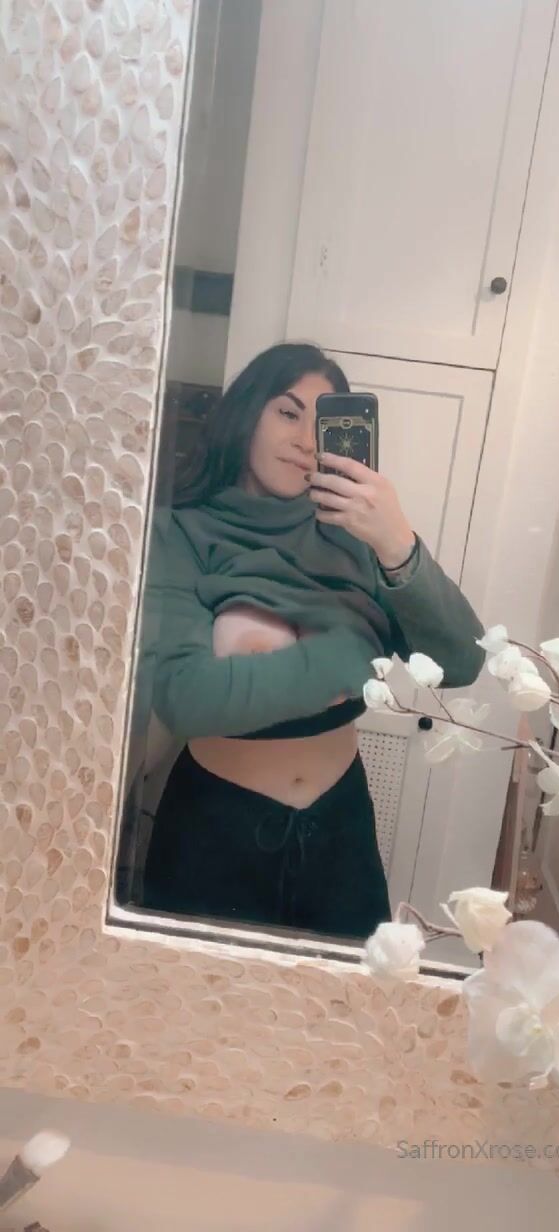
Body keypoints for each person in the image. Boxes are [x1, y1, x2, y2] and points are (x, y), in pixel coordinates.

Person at [136, 343, 486, 939]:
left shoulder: (357, 536)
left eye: (319, 424)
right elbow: (187, 698)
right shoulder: (181, 532)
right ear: (245, 414)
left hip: (341, 828)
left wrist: (396, 543)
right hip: (213, 831)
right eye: (287, 412)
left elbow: (461, 661)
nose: (304, 441)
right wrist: (350, 654)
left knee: (345, 998)